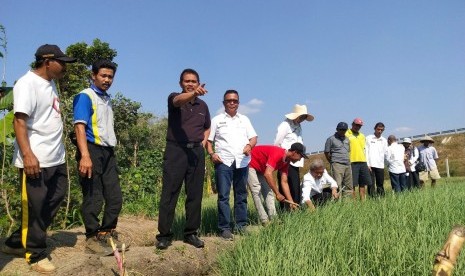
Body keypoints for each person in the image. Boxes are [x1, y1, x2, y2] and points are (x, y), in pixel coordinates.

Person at [1, 44, 76, 273]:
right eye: (61, 62)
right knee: (35, 206)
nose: (65, 67)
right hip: (36, 159)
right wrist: (28, 155)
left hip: (56, 158)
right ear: (47, 61)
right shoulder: (27, 83)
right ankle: (35, 254)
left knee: (56, 197)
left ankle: (16, 241)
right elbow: (19, 121)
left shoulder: (50, 83)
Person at [156, 69, 211, 250]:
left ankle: (191, 234)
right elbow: (179, 100)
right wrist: (192, 94)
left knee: (195, 195)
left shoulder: (203, 106)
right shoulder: (175, 98)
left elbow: (207, 127)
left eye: (193, 81)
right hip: (176, 151)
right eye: (187, 81)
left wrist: (202, 143)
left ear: (198, 82)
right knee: (169, 194)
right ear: (181, 83)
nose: (190, 83)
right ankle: (164, 235)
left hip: (196, 153)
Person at [73, 59, 123, 256]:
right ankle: (92, 238)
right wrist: (85, 156)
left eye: (110, 76)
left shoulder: (106, 98)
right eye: (103, 75)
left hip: (108, 152)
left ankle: (107, 233)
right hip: (91, 150)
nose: (107, 79)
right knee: (93, 197)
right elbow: (79, 126)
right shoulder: (85, 96)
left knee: (114, 197)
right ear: (93, 75)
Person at [206, 90, 257, 240]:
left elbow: (253, 138)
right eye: (229, 100)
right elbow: (209, 141)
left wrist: (249, 146)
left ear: (238, 103)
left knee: (241, 195)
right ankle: (225, 228)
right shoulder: (216, 120)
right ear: (224, 103)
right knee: (223, 196)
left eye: (235, 100)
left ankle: (241, 225)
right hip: (223, 162)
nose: (232, 103)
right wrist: (212, 154)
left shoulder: (245, 120)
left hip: (242, 161)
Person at [248, 143, 307, 225]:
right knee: (256, 190)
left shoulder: (286, 162)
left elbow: (284, 182)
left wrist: (291, 202)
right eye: (301, 156)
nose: (300, 159)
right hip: (250, 162)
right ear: (295, 152)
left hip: (261, 168)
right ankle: (264, 220)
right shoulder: (278, 154)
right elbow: (268, 174)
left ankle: (274, 219)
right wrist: (278, 193)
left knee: (268, 192)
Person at [274, 104, 314, 210]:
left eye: (304, 117)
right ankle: (285, 211)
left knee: (295, 187)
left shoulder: (299, 126)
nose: (303, 119)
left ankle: (295, 208)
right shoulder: (285, 125)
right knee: (285, 186)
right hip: (285, 161)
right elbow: (277, 143)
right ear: (296, 115)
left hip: (296, 162)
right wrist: (280, 158)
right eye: (302, 116)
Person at [324, 122, 354, 198]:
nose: (343, 131)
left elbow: (348, 151)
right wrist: (332, 161)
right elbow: (326, 152)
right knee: (337, 184)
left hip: (347, 164)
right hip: (337, 164)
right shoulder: (331, 139)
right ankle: (337, 202)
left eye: (344, 130)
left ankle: (348, 203)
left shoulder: (347, 139)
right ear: (337, 129)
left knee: (348, 185)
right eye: (341, 129)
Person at [346, 118, 372, 200]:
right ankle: (354, 204)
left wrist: (367, 163)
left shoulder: (362, 136)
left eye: (360, 126)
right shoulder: (346, 134)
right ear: (352, 124)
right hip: (352, 161)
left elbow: (365, 149)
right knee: (352, 184)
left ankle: (363, 202)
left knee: (362, 183)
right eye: (356, 125)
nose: (358, 127)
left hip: (363, 161)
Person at [365, 122, 388, 197]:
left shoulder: (384, 140)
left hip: (380, 165)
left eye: (382, 130)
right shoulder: (368, 138)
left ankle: (381, 198)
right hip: (370, 164)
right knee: (371, 183)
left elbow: (386, 153)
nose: (380, 131)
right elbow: (366, 151)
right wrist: (367, 164)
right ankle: (372, 198)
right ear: (375, 129)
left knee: (380, 183)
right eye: (378, 129)